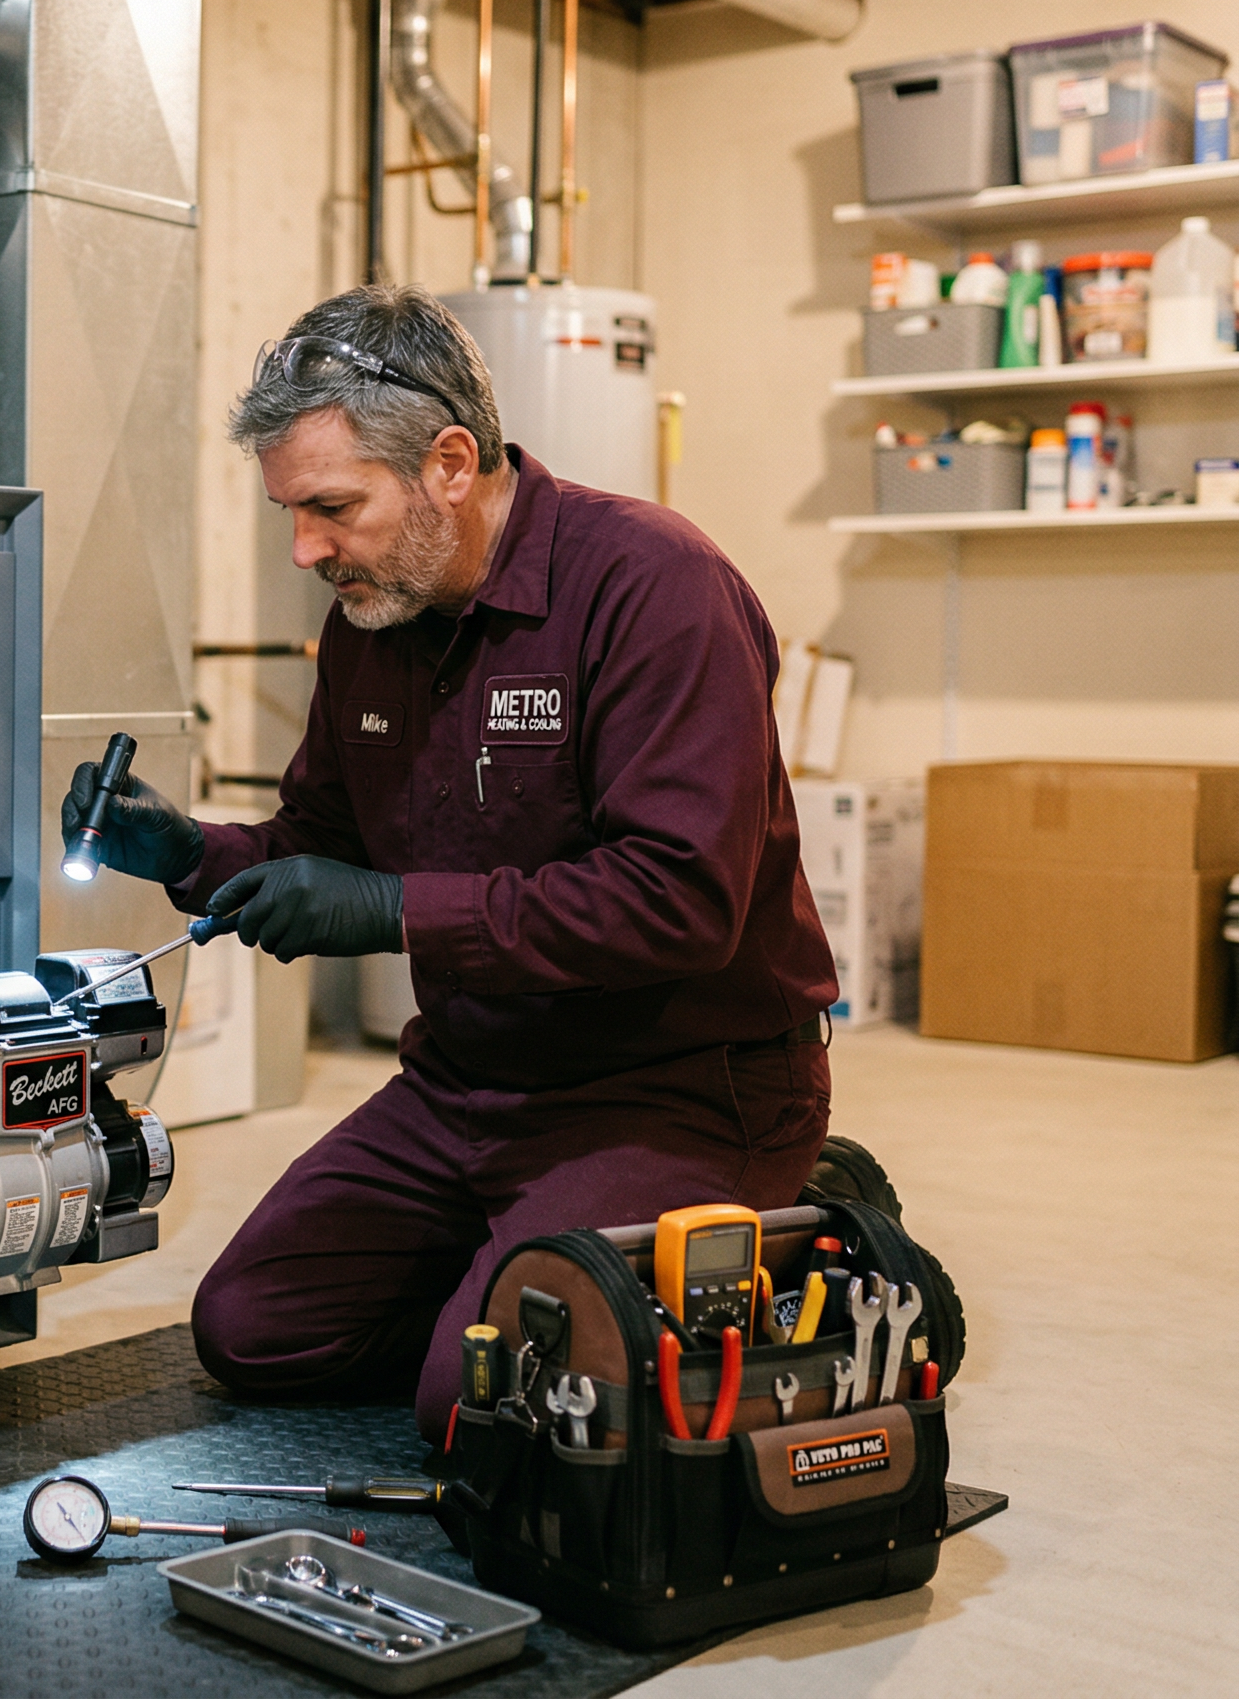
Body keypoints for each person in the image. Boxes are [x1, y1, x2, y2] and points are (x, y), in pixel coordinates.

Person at [60, 284, 837, 1444]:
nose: (306, 550)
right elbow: (319, 849)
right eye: (290, 513)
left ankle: (775, 1228)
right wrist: (185, 850)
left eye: (332, 508)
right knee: (252, 1328)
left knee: (475, 1405)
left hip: (676, 1090)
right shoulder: (372, 624)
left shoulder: (655, 588)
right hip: (467, 1085)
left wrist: (394, 911)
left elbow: (680, 900)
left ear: (451, 464)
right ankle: (522, 1271)